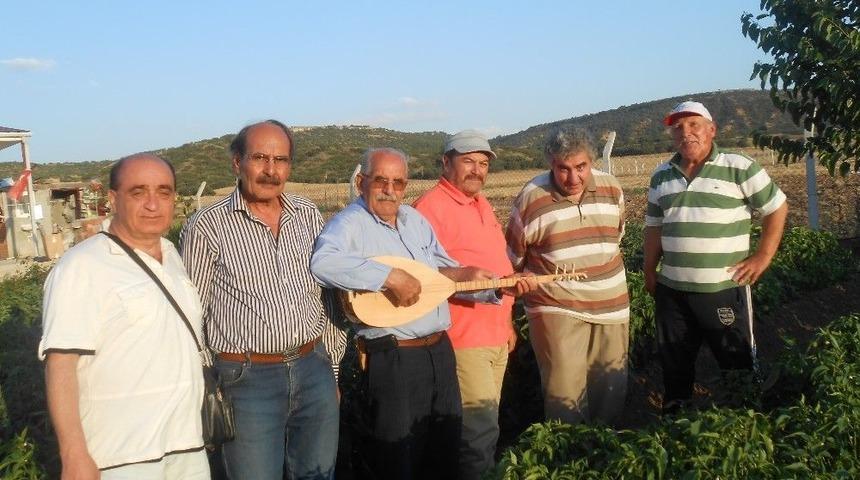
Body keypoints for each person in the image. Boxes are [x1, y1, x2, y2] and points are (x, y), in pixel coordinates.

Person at [311, 147, 534, 480]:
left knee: (443, 449)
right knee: (399, 456)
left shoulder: (414, 221)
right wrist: (387, 276)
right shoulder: (349, 223)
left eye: (398, 182)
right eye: (381, 180)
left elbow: (443, 275)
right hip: (394, 357)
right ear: (361, 182)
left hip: (439, 350)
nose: (390, 190)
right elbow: (323, 262)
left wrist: (495, 286)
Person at [180, 120, 345, 480]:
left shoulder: (308, 215)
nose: (271, 170)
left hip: (313, 368)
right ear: (237, 163)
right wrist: (212, 384)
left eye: (280, 160)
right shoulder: (207, 226)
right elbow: (191, 315)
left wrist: (330, 367)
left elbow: (327, 297)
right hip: (246, 380)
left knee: (317, 474)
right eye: (259, 158)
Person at [40, 153, 210, 479]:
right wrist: (73, 454)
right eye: (138, 192)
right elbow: (60, 365)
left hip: (186, 448)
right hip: (121, 458)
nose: (153, 204)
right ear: (113, 199)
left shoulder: (172, 256)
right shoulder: (82, 266)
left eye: (163, 192)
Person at [644, 101, 788, 412]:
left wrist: (763, 256)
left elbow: (776, 207)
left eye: (693, 125)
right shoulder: (661, 176)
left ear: (712, 130)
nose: (686, 132)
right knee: (674, 364)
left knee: (736, 362)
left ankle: (745, 421)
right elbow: (654, 226)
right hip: (672, 291)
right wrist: (649, 269)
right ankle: (676, 421)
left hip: (723, 289)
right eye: (678, 128)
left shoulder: (739, 166)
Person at [412, 130, 519, 479]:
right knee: (478, 434)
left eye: (483, 163)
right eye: (468, 161)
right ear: (446, 162)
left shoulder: (480, 204)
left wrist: (507, 323)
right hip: (463, 339)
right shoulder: (429, 209)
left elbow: (496, 266)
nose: (477, 170)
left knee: (486, 425)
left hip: (494, 335)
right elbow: (419, 274)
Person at [506, 126, 630, 425]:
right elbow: (513, 257)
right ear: (551, 164)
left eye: (580, 167)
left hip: (611, 304)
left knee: (610, 389)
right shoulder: (532, 197)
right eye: (563, 169)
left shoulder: (611, 188)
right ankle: (568, 449)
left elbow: (617, 236)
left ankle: (604, 448)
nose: (573, 178)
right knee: (564, 395)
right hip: (556, 305)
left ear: (591, 161)